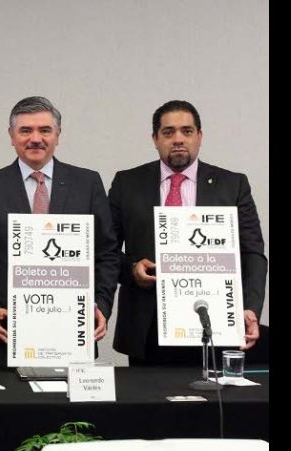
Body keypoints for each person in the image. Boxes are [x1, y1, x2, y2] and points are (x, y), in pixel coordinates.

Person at [0, 96, 120, 367]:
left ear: (58, 135)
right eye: (25, 130)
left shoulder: (87, 184)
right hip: (8, 337)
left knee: (73, 412)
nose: (36, 138)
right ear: (11, 136)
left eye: (45, 130)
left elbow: (107, 255)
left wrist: (101, 307)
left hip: (74, 337)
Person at [109, 100, 268, 365]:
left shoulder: (232, 185)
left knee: (213, 404)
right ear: (155, 139)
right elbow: (106, 252)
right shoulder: (127, 183)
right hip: (148, 327)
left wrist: (250, 307)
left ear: (200, 136)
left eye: (187, 131)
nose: (178, 139)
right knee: (148, 405)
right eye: (168, 132)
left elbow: (252, 253)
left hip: (214, 320)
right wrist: (133, 269)